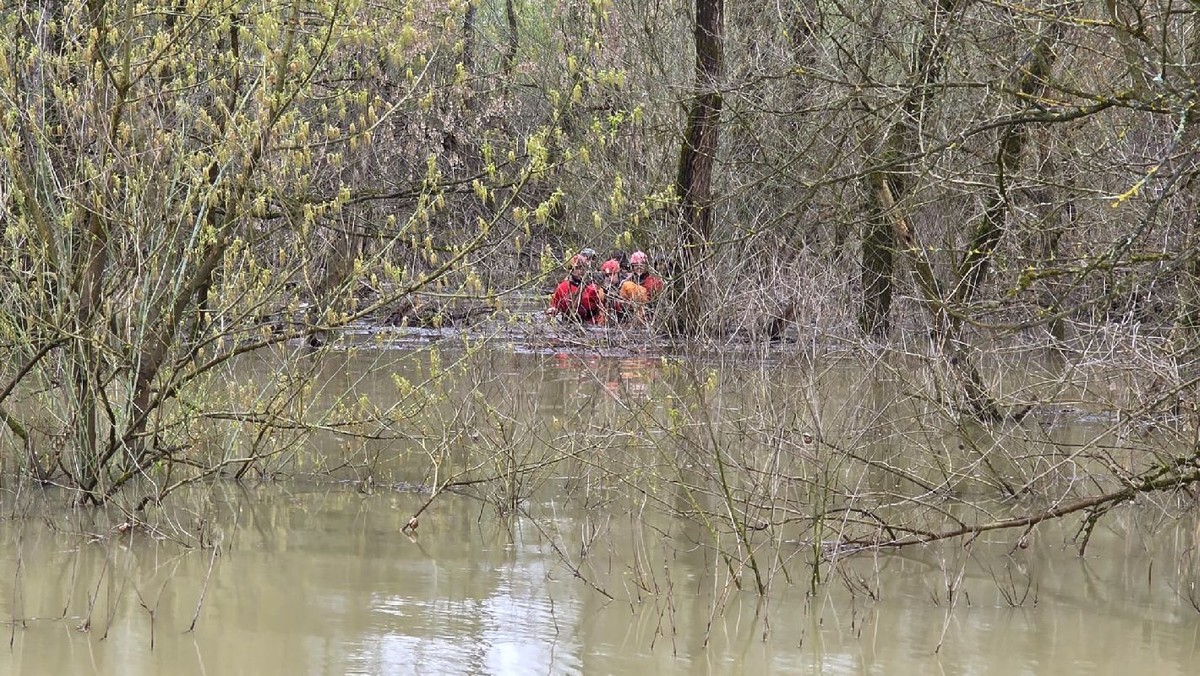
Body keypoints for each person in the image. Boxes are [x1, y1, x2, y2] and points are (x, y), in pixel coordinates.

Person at [548, 254, 604, 324]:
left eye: (582, 267)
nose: (580, 271)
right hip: (569, 324)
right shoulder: (562, 288)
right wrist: (552, 311)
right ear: (571, 270)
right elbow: (554, 308)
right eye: (577, 268)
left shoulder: (594, 288)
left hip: (591, 325)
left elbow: (602, 312)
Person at [599, 259, 635, 323]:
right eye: (607, 275)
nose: (609, 278)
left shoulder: (627, 284)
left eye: (612, 274)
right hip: (615, 318)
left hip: (629, 316)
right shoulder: (604, 289)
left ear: (618, 273)